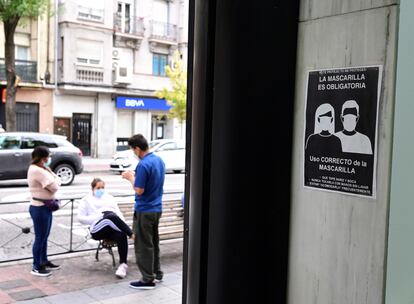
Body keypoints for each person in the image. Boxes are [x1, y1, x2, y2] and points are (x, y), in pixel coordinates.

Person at [122, 134, 165, 290]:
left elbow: (139, 190)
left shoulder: (143, 164)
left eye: (133, 150)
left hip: (144, 210)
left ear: (137, 148)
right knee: (153, 243)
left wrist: (129, 178)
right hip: (156, 208)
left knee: (143, 245)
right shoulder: (159, 160)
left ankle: (147, 279)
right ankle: (156, 273)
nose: (133, 153)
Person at [78, 178, 133, 279]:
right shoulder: (86, 200)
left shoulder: (109, 198)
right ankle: (132, 234)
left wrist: (122, 223)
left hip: (110, 227)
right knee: (109, 217)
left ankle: (123, 265)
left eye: (102, 187)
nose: (101, 190)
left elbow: (118, 213)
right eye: (98, 188)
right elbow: (80, 219)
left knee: (121, 234)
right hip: (96, 229)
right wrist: (99, 217)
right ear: (93, 188)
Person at [27, 146, 61, 277]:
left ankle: (44, 261)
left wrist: (55, 179)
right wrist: (56, 180)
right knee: (40, 237)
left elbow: (56, 179)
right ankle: (36, 266)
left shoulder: (43, 168)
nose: (49, 159)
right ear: (43, 158)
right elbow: (54, 187)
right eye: (48, 156)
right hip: (39, 207)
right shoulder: (37, 170)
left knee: (44, 237)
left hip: (45, 207)